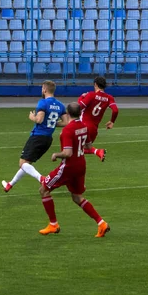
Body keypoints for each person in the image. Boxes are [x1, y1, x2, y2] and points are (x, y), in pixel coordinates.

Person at [38, 102, 110, 238]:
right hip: (81, 165)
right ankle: (101, 223)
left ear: (68, 113)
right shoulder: (84, 126)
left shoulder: (68, 130)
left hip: (68, 167)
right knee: (77, 197)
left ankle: (53, 224)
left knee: (43, 190)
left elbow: (67, 153)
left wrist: (56, 155)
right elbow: (88, 145)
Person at [2, 80, 68, 192]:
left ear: (45, 89)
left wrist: (32, 117)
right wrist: (52, 123)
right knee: (27, 164)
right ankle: (10, 184)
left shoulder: (43, 103)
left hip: (37, 137)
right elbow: (66, 122)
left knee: (22, 164)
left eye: (42, 88)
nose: (41, 90)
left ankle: (42, 179)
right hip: (48, 139)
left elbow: (39, 119)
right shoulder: (60, 105)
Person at [77, 76, 119, 162]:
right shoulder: (109, 98)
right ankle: (97, 152)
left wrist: (81, 97)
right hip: (94, 129)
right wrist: (112, 121)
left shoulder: (91, 95)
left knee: (72, 149)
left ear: (95, 84)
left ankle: (98, 151)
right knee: (81, 150)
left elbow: (79, 107)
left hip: (83, 126)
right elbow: (115, 110)